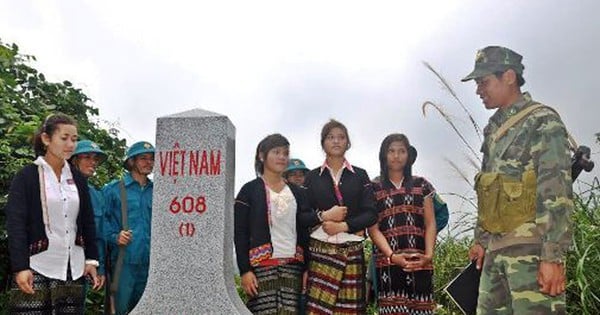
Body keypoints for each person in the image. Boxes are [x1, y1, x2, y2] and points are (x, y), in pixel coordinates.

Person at [462, 46, 573, 314]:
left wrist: (552, 256)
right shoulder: (493, 129)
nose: (478, 90)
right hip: (496, 251)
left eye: (483, 82)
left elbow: (555, 190)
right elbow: (489, 188)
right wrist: (481, 239)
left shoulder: (542, 120)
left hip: (532, 251)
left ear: (509, 77)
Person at [5, 113, 100, 314]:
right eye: (64, 138)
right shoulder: (27, 177)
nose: (70, 144)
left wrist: (91, 259)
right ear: (46, 139)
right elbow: (16, 224)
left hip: (72, 267)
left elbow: (87, 221)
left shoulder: (78, 179)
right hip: (37, 265)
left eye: (74, 139)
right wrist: (20, 267)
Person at [300, 119, 377, 314]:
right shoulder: (311, 177)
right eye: (330, 137)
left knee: (350, 310)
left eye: (341, 137)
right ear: (323, 143)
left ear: (347, 143)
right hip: (320, 252)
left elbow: (371, 213)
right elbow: (301, 216)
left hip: (351, 250)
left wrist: (343, 226)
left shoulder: (360, 175)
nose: (336, 141)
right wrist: (323, 216)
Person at [234, 133, 310, 314]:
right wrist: (245, 271)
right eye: (276, 152)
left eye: (285, 153)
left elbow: (304, 232)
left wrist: (307, 268)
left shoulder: (298, 193)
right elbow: (240, 233)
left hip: (293, 268)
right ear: (262, 155)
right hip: (261, 269)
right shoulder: (249, 190)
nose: (282, 157)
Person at [368, 134, 436, 314]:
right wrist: (391, 256)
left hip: (420, 261)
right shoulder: (373, 188)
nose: (396, 156)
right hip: (388, 264)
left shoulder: (422, 185)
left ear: (408, 155)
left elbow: (430, 223)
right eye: (391, 151)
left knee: (422, 310)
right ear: (383, 155)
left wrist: (428, 255)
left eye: (401, 151)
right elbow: (373, 229)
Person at [104, 141, 155, 315]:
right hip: (123, 261)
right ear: (132, 161)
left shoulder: (158, 191)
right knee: (119, 310)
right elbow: (101, 224)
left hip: (150, 263)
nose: (149, 162)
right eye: (143, 158)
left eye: (151, 159)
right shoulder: (113, 189)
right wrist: (114, 236)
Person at [69, 140, 109, 305]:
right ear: (74, 159)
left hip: (83, 267)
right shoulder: (56, 188)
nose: (93, 162)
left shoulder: (96, 195)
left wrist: (98, 267)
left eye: (95, 159)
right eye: (87, 157)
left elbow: (99, 236)